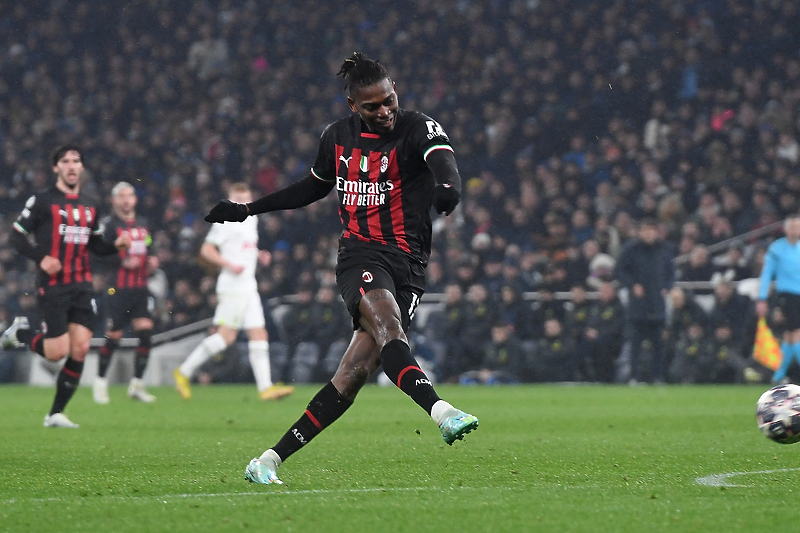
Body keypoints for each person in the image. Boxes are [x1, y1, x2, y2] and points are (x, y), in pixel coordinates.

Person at [203, 52, 478, 485]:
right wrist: (248, 210)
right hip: (360, 256)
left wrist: (448, 189)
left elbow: (444, 163)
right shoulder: (336, 137)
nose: (385, 111)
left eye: (389, 100)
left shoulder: (417, 125)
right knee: (389, 326)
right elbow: (313, 186)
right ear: (354, 106)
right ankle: (441, 411)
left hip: (410, 262)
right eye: (373, 106)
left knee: (352, 375)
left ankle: (268, 460)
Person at [1, 144, 131, 428]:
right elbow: (16, 237)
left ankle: (55, 413)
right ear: (55, 168)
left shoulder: (90, 203)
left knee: (81, 348)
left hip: (82, 285)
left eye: (76, 161)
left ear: (81, 167)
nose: (71, 166)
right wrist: (42, 257)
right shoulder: (43, 200)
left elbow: (94, 244)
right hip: (53, 285)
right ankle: (19, 333)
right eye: (65, 161)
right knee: (56, 352)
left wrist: (114, 247)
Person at [173, 182, 294, 401]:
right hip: (232, 287)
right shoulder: (225, 221)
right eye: (238, 199)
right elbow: (206, 250)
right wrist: (228, 264)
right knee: (225, 338)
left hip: (249, 286)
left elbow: (245, 248)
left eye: (246, 199)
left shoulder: (252, 219)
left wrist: (259, 256)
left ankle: (265, 388)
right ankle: (184, 372)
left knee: (259, 333)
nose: (243, 203)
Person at [92, 182, 158, 404]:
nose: (127, 199)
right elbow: (97, 255)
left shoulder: (143, 225)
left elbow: (149, 245)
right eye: (122, 196)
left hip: (140, 288)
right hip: (117, 289)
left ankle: (137, 385)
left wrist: (152, 259)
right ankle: (100, 383)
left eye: (130, 195)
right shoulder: (109, 226)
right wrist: (120, 260)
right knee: (114, 337)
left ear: (135, 199)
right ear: (114, 201)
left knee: (146, 334)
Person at [614, 218, 675, 384]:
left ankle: (658, 377)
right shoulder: (630, 250)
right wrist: (632, 285)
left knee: (658, 346)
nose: (649, 233)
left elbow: (671, 272)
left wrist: (667, 287)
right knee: (635, 345)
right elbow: (619, 271)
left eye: (652, 229)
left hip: (657, 304)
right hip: (638, 306)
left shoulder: (665, 250)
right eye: (645, 230)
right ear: (640, 232)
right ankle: (634, 377)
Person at [756, 214, 800, 383]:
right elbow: (767, 274)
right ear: (786, 229)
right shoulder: (776, 249)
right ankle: (779, 374)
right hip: (787, 296)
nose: (797, 230)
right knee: (797, 333)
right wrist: (762, 298)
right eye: (794, 226)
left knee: (789, 336)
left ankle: (778, 375)